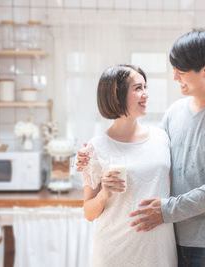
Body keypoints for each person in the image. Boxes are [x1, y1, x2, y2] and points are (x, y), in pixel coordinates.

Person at [77, 30, 205, 267]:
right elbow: (147, 155)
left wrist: (167, 209)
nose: (175, 78)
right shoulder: (174, 113)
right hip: (174, 237)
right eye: (173, 71)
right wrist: (90, 159)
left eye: (181, 72)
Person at [80, 64, 177, 267]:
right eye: (137, 88)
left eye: (145, 87)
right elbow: (89, 213)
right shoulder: (95, 147)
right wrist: (105, 193)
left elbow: (171, 189)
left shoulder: (161, 138)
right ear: (116, 95)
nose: (145, 94)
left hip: (158, 250)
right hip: (114, 252)